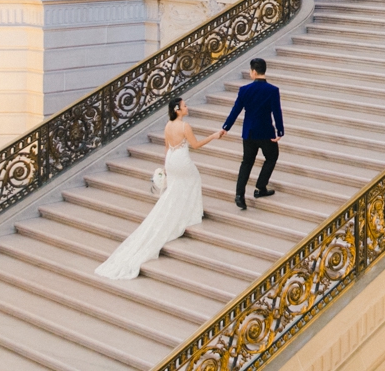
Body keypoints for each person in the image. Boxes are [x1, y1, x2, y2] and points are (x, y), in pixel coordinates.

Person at [95, 96, 222, 280]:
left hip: (171, 160)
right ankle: (191, 213)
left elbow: (167, 147)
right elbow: (195, 145)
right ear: (178, 109)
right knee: (194, 179)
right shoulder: (184, 126)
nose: (187, 107)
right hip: (181, 161)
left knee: (178, 188)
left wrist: (165, 167)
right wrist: (213, 136)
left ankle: (184, 211)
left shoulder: (168, 125)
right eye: (184, 105)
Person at [223, 57, 284, 210]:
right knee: (272, 157)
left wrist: (226, 127)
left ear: (253, 71)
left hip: (249, 132)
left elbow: (235, 110)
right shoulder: (273, 90)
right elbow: (277, 112)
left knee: (246, 162)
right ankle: (260, 187)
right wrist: (280, 130)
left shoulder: (244, 90)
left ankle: (239, 195)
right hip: (266, 132)